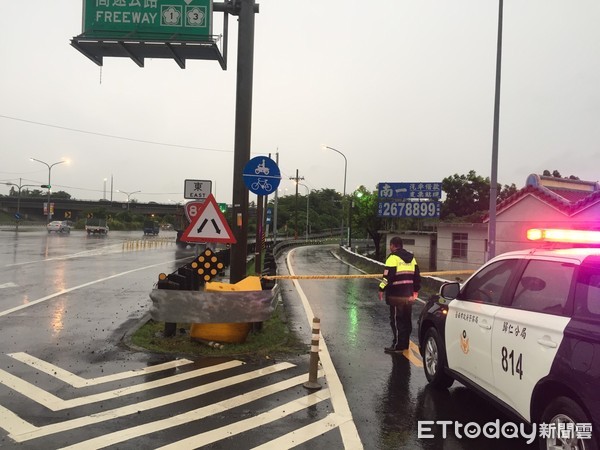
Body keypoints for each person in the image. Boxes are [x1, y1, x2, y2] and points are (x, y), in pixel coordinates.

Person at [378, 236, 421, 353]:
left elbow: (387, 277)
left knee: (397, 320)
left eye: (390, 245)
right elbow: (417, 276)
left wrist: (381, 288)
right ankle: (405, 344)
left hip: (396, 295)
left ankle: (397, 345)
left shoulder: (392, 258)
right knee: (407, 319)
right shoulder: (412, 259)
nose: (390, 247)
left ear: (393, 245)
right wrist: (416, 290)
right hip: (409, 295)